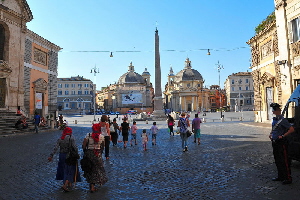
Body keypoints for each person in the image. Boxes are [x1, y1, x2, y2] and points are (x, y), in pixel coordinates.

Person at [48, 127, 81, 192]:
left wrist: (51, 155)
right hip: (69, 156)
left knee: (64, 169)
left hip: (62, 155)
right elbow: (75, 147)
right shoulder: (71, 138)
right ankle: (65, 185)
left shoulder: (61, 138)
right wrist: (77, 154)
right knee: (70, 170)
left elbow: (55, 148)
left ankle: (69, 183)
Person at [269, 103, 295, 185]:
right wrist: (271, 134)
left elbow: (291, 129)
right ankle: (280, 176)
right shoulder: (275, 119)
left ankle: (288, 178)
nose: (273, 112)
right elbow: (274, 128)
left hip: (281, 142)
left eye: (274, 110)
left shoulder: (283, 120)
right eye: (272, 110)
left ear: (278, 111)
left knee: (284, 160)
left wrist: (283, 136)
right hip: (275, 142)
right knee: (278, 160)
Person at [82, 124, 108, 192]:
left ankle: (91, 185)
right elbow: (103, 146)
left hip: (89, 154)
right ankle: (94, 185)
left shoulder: (88, 135)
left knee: (90, 169)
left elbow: (84, 145)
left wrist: (85, 151)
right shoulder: (101, 136)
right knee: (96, 169)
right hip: (97, 154)